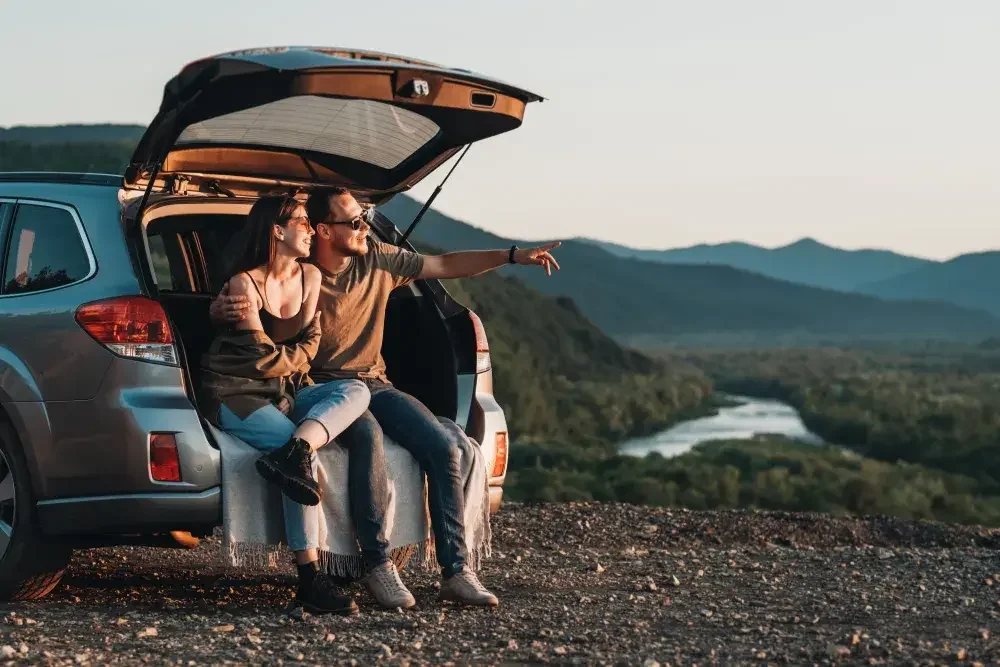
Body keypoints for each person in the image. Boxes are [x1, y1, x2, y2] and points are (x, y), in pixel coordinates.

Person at [209, 187, 561, 609]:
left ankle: (456, 571)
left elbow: (445, 264)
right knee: (367, 438)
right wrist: (218, 309)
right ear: (321, 229)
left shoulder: (375, 259)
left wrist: (513, 256)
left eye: (364, 218)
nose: (364, 227)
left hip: (373, 382)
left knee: (445, 444)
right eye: (354, 221)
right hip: (317, 387)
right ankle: (378, 564)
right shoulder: (299, 268)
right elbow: (258, 297)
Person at [199, 194, 372, 616]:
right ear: (277, 230)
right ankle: (311, 578)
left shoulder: (310, 276)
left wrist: (293, 363)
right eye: (303, 222)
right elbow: (259, 357)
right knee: (303, 466)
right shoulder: (244, 284)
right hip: (234, 391)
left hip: (284, 391)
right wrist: (293, 359)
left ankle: (297, 449)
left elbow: (310, 347)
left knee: (356, 392)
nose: (312, 230)